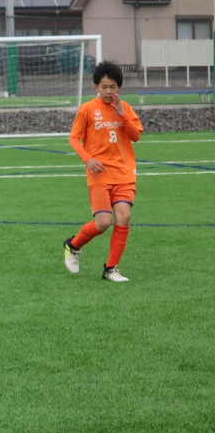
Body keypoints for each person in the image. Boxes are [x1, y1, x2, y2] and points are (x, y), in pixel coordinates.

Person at [64, 61, 143, 282]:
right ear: (96, 87)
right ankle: (73, 245)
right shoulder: (87, 109)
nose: (109, 91)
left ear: (119, 88)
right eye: (104, 87)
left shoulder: (125, 107)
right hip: (99, 174)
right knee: (103, 222)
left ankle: (111, 269)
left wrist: (122, 114)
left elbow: (136, 136)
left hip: (123, 173)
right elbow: (74, 138)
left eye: (113, 87)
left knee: (124, 216)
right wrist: (88, 159)